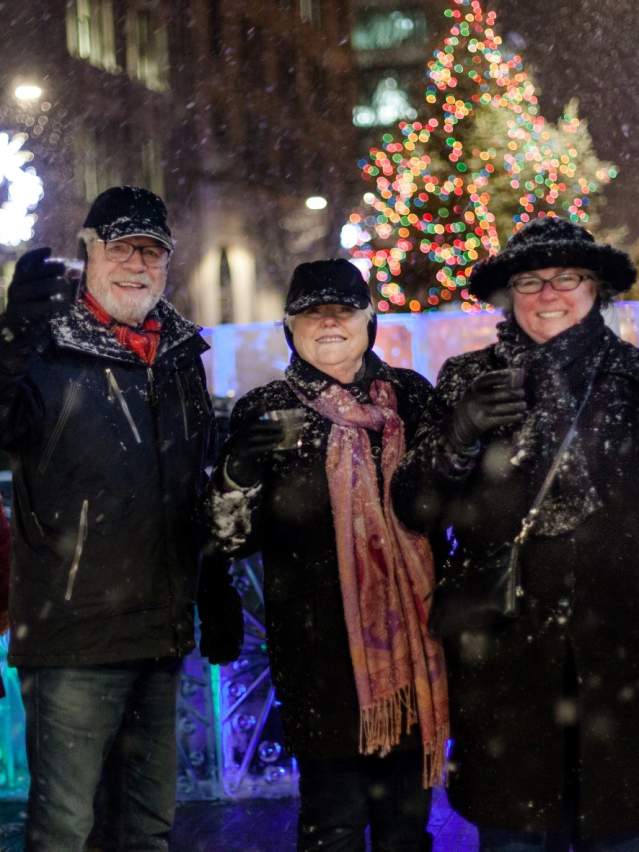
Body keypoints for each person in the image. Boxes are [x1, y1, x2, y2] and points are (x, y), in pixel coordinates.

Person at [0, 185, 241, 851]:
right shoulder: (46, 347)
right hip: (71, 637)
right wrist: (12, 335)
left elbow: (199, 486)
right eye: (121, 249)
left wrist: (213, 587)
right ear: (91, 252)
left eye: (151, 253)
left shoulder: (180, 357)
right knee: (64, 832)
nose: (137, 265)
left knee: (145, 830)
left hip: (158, 635)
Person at [392, 217, 639, 851]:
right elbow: (416, 506)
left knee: (615, 831)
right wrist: (459, 432)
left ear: (596, 289)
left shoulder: (630, 380)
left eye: (566, 278)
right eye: (530, 281)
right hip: (504, 661)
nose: (548, 294)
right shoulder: (466, 378)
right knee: (515, 835)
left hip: (618, 660)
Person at [210, 259, 448, 852]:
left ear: (370, 319)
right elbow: (233, 538)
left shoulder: (412, 399)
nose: (329, 323)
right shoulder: (264, 410)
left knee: (404, 831)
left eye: (343, 310)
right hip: (318, 656)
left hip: (414, 651)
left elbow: (444, 506)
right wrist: (238, 471)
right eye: (311, 313)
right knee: (331, 826)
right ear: (289, 329)